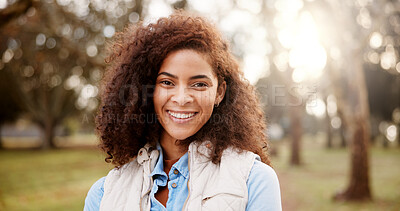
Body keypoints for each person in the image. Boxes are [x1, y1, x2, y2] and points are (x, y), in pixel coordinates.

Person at [84, 11, 281, 211]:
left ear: (219, 92)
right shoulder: (103, 194)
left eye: (199, 84)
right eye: (167, 82)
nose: (181, 98)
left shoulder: (254, 180)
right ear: (148, 89)